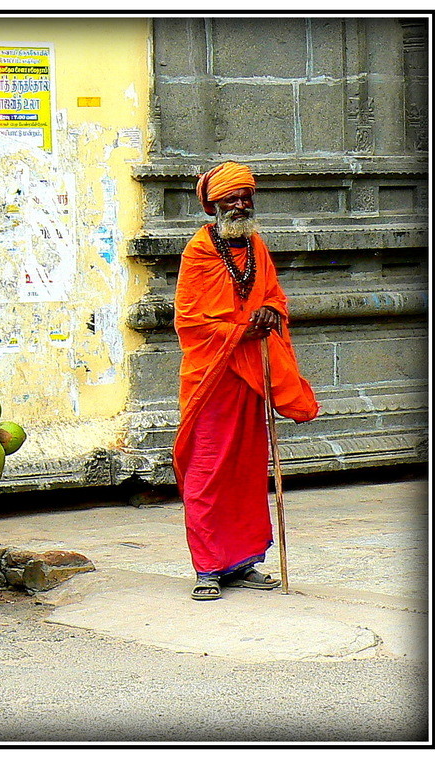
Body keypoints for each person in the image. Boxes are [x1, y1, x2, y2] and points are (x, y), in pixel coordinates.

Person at [173, 161, 319, 601]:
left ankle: (242, 562)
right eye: (230, 199)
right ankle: (208, 567)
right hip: (212, 377)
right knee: (206, 471)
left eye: (245, 197)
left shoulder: (257, 246)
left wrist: (269, 313)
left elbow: (273, 297)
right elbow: (190, 321)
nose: (239, 204)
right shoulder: (198, 251)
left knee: (246, 470)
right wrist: (239, 330)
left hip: (251, 375)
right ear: (213, 205)